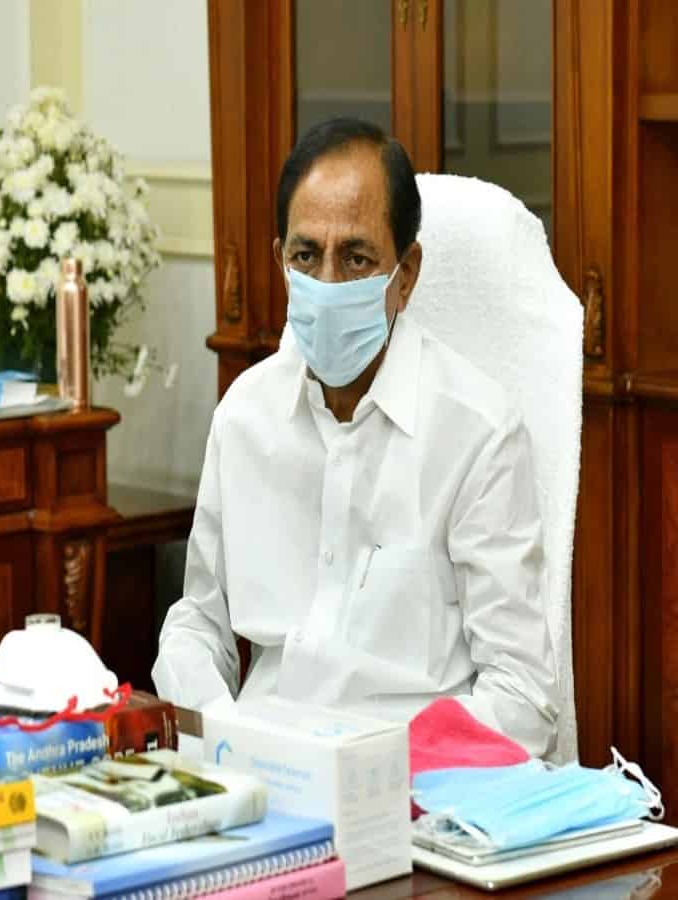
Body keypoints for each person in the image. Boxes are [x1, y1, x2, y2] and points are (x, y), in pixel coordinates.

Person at [152, 118, 560, 757]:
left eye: (357, 258)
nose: (328, 283)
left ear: (406, 274)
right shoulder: (245, 416)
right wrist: (219, 732)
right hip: (260, 769)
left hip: (413, 784)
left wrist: (372, 772)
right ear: (281, 262)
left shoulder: (477, 432)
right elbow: (201, 622)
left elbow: (524, 696)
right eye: (306, 256)